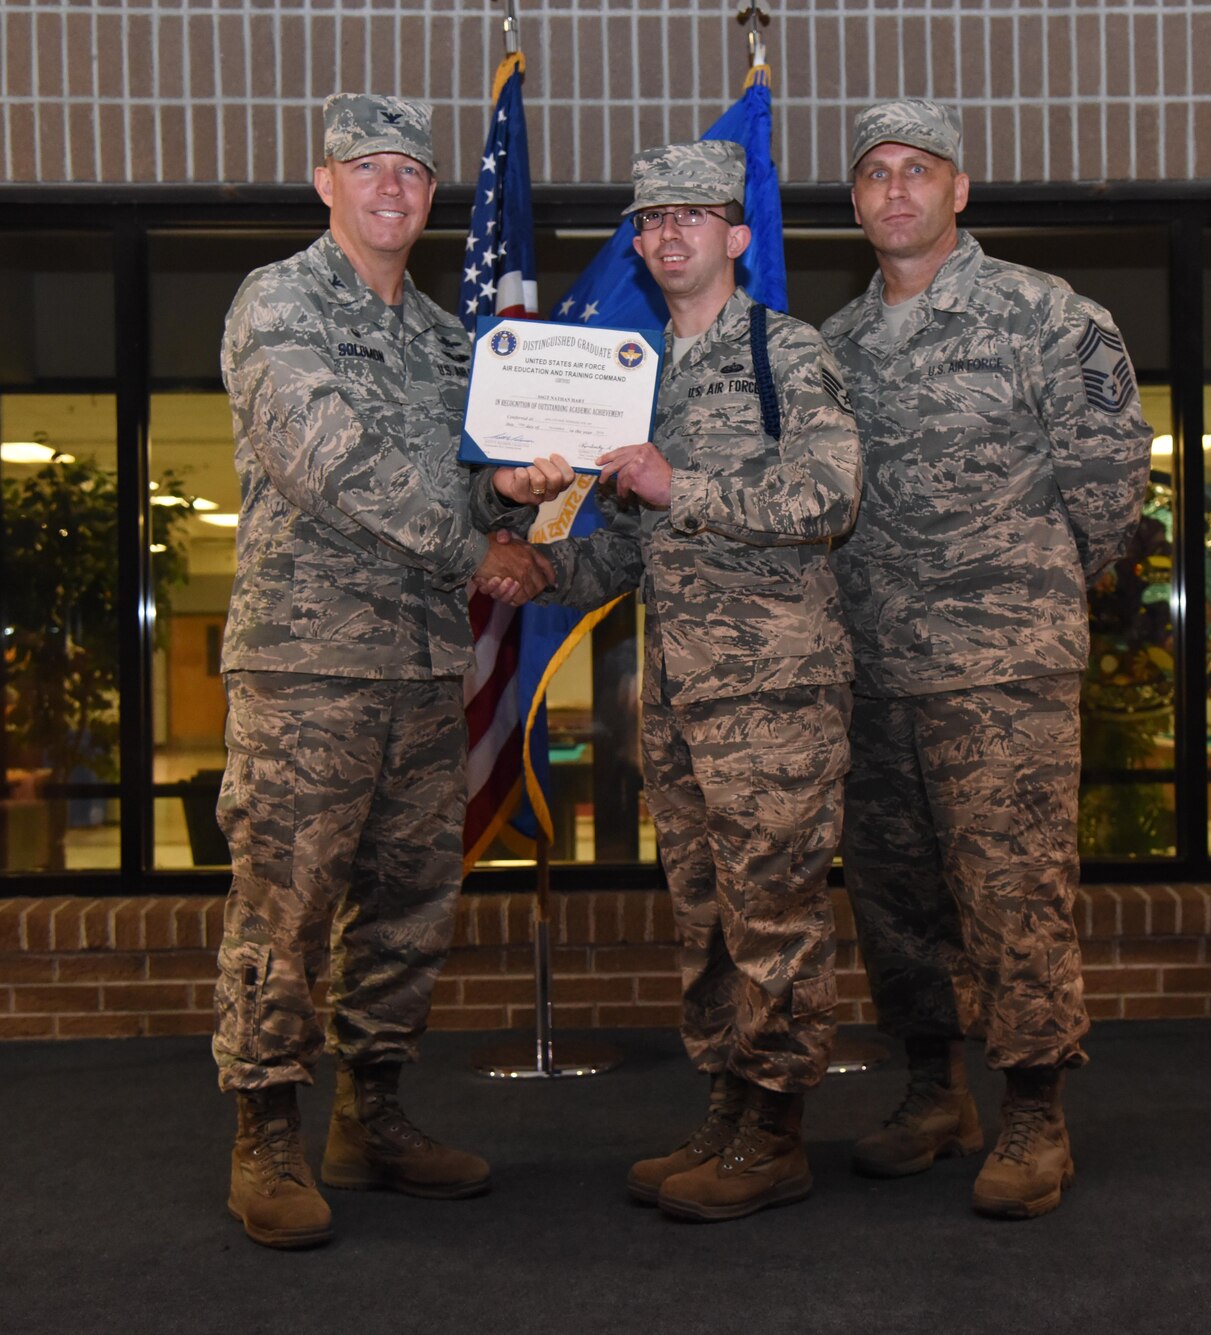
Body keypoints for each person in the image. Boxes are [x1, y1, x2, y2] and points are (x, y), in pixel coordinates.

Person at [213, 92, 572, 1250]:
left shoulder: (441, 339)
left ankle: (371, 1115)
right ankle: (264, 1130)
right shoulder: (278, 303)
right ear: (325, 183)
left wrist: (507, 495)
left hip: (423, 663)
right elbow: (331, 461)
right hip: (307, 665)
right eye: (365, 168)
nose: (390, 190)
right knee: (288, 900)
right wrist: (481, 544)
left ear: (430, 198)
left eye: (410, 176)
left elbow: (461, 479)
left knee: (410, 905)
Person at [482, 139, 861, 1223]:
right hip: (679, 697)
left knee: (774, 911)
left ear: (736, 238)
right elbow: (634, 548)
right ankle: (727, 1107)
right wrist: (543, 566)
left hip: (776, 694)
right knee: (702, 913)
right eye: (650, 221)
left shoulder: (786, 354)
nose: (668, 235)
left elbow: (831, 497)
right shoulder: (634, 376)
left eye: (692, 215)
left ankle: (778, 1132)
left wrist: (676, 481)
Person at [821, 100, 1152, 1219]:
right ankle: (930, 1091)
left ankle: (1031, 1112)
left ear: (958, 189)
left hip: (1000, 671)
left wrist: (1018, 592)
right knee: (894, 900)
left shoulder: (1048, 318)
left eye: (919, 169)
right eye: (874, 173)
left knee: (1013, 896)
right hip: (871, 671)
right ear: (856, 200)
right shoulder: (833, 348)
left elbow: (1109, 486)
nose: (896, 188)